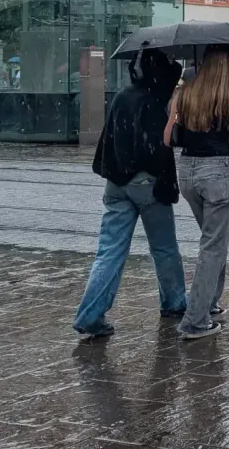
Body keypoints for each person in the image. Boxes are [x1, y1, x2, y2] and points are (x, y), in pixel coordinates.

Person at [74, 49, 186, 339]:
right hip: (148, 184)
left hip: (116, 184)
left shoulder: (123, 96)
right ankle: (174, 303)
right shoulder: (158, 99)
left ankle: (90, 314)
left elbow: (109, 139)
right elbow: (161, 146)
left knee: (109, 251)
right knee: (164, 248)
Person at [165, 45, 229, 340]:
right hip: (217, 172)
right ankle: (195, 321)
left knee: (213, 241)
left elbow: (168, 137)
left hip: (187, 174)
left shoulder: (184, 93)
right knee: (213, 246)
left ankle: (210, 302)